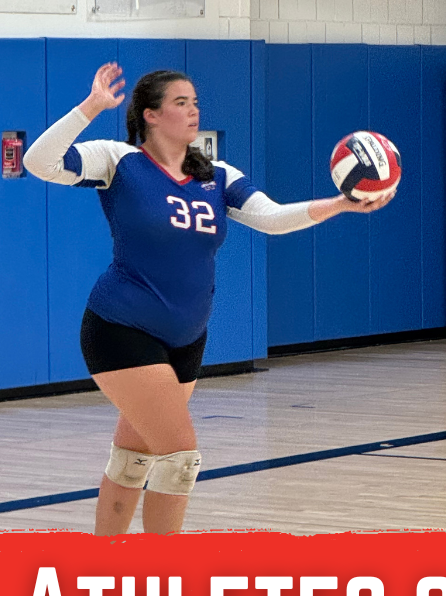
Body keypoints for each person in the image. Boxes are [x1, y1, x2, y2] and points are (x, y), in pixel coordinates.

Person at [24, 63, 393, 536]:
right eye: (181, 103)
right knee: (179, 459)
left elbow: (274, 218)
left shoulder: (218, 176)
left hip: (186, 339)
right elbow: (40, 162)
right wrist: (92, 107)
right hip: (121, 329)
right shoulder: (119, 160)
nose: (194, 110)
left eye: (196, 102)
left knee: (134, 460)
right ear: (151, 115)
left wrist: (340, 203)